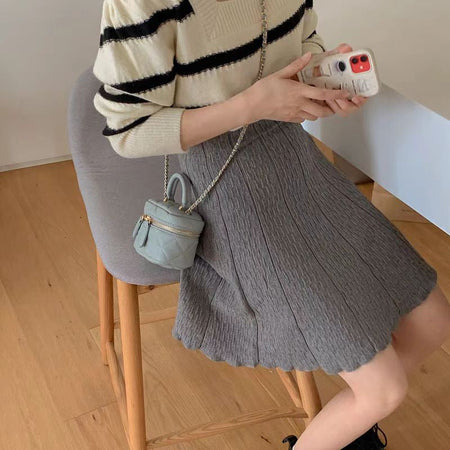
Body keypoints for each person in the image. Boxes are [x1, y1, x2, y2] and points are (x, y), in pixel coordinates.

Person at [92, 1, 450, 448]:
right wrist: (251, 106)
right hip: (225, 188)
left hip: (298, 165)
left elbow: (302, 42)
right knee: (384, 389)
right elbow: (127, 131)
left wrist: (317, 80)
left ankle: (343, 434)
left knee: (433, 321)